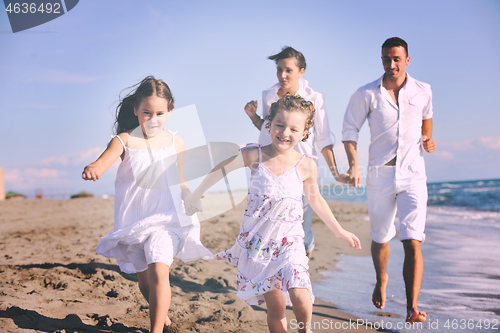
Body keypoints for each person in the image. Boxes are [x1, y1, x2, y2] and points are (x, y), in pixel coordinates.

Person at [186, 93, 361, 333]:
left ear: (304, 133)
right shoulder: (255, 155)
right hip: (260, 246)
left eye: (293, 129)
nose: (285, 133)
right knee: (276, 310)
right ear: (269, 123)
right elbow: (222, 167)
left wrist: (339, 230)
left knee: (300, 294)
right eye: (279, 125)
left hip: (290, 241)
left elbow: (316, 200)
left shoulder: (306, 164)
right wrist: (197, 193)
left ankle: (304, 329)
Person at [82, 76, 212, 333]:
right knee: (145, 282)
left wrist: (189, 196)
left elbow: (182, 181)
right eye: (146, 112)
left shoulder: (177, 142)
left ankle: (156, 330)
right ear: (135, 110)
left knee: (159, 271)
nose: (153, 119)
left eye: (160, 113)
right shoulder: (124, 140)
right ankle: (160, 313)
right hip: (134, 223)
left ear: (170, 112)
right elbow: (103, 161)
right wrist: (94, 167)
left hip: (165, 218)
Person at [342, 37, 436, 323]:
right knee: (381, 238)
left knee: (412, 240)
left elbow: (427, 126)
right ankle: (380, 277)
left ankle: (412, 307)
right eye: (386, 59)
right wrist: (354, 164)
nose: (391, 64)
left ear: (407, 59)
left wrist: (429, 141)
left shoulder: (423, 90)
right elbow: (349, 130)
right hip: (379, 175)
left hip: (413, 175)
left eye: (396, 58)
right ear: (381, 60)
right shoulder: (366, 94)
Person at [244, 46, 348, 259]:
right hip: (268, 167)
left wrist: (335, 172)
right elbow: (269, 128)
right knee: (268, 224)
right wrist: (254, 117)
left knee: (300, 226)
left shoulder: (314, 98)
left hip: (300, 171)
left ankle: (303, 263)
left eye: (288, 70)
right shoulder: (268, 95)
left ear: (301, 71)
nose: (282, 75)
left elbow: (324, 138)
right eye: (279, 69)